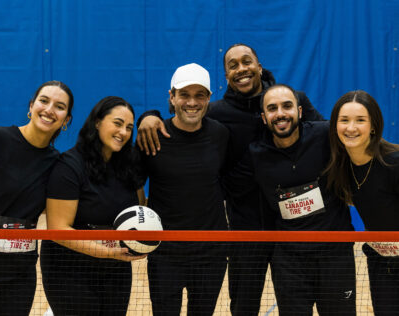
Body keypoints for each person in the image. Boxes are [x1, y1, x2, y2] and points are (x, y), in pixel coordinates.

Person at [137, 43, 324, 315]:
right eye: (232, 65)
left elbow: (323, 136)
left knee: (296, 306)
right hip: (243, 229)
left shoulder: (288, 102)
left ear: (259, 67)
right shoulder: (216, 114)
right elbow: (182, 119)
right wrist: (149, 116)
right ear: (226, 76)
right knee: (243, 307)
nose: (241, 69)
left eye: (246, 62)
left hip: (293, 227)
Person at [228, 84, 356, 315]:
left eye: (286, 106)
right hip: (290, 262)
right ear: (264, 118)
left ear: (299, 111)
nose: (280, 113)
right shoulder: (255, 155)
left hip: (335, 256)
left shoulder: (325, 135)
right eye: (272, 108)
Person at [40, 96, 146, 315]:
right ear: (97, 122)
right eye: (117, 123)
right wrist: (108, 253)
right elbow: (58, 230)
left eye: (128, 127)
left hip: (115, 268)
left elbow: (139, 210)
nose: (123, 132)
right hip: (70, 269)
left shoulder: (128, 166)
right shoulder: (69, 166)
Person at [0, 80, 73, 315]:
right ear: (31, 107)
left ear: (66, 121)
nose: (50, 109)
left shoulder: (57, 164)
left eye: (60, 107)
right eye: (44, 101)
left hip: (18, 275)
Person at [142, 63, 228, 315]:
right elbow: (135, 182)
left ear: (209, 99)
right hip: (165, 253)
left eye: (199, 95)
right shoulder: (153, 135)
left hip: (211, 253)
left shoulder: (221, 135)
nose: (192, 102)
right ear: (172, 97)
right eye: (184, 95)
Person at [326, 90, 399, 316]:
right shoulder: (341, 167)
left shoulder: (394, 163)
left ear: (374, 126)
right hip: (380, 260)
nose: (351, 128)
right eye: (344, 120)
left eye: (360, 120)